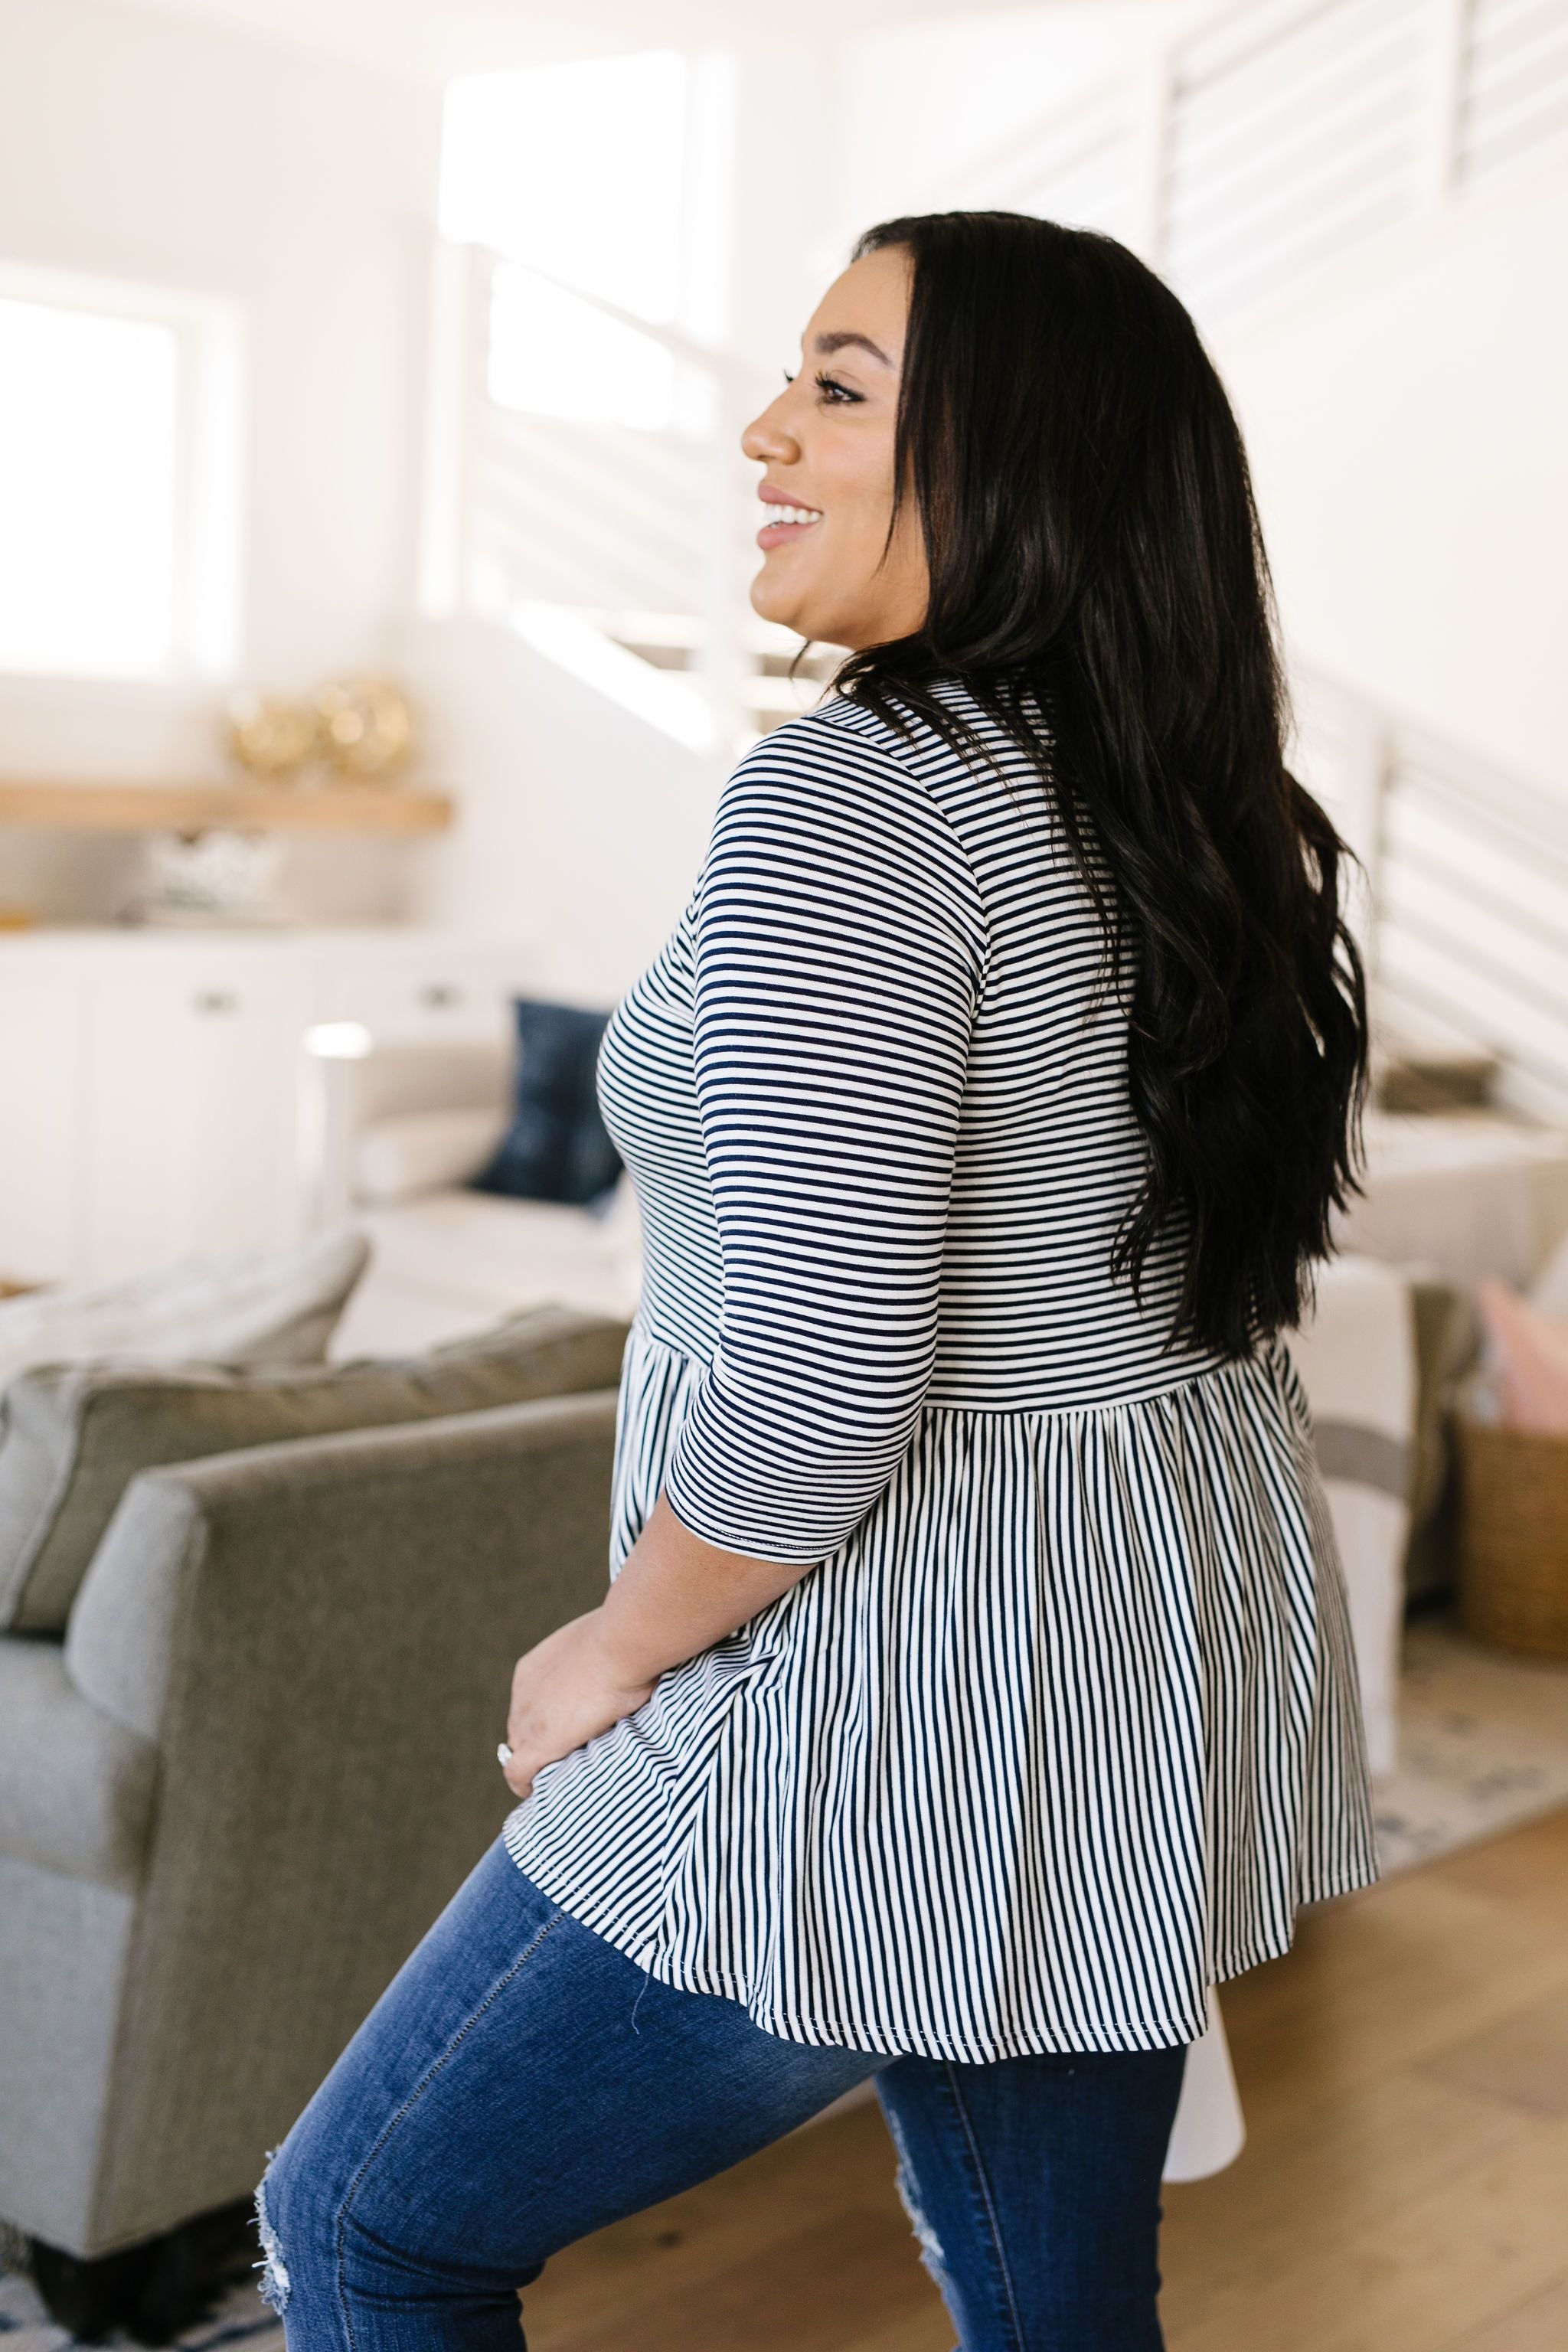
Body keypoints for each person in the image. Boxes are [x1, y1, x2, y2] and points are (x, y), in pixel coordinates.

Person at [257, 211, 1375, 2352]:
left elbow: (820, 1389)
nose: (764, 429)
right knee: (1054, 2302)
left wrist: (606, 1647)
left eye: (841, 388)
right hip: (1125, 1680)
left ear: (1018, 463)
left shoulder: (854, 811)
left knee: (370, 2224)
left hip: (889, 1690)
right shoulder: (1185, 808)